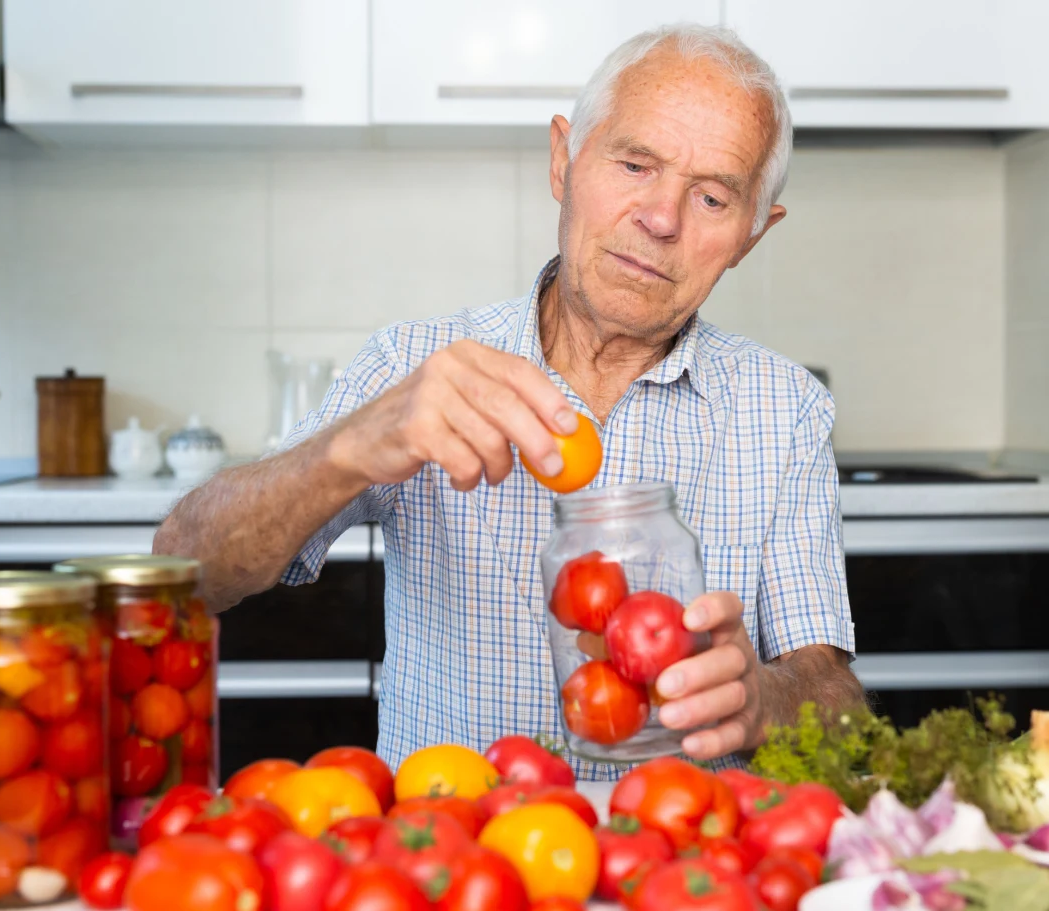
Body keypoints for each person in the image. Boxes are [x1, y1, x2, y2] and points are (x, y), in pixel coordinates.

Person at [154, 23, 864, 776]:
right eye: (634, 164)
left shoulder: (786, 408)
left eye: (713, 197)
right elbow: (186, 571)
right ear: (563, 159)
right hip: (455, 839)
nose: (661, 219)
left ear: (752, 233)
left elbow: (837, 699)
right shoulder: (413, 365)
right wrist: (348, 449)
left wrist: (764, 698)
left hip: (677, 842)